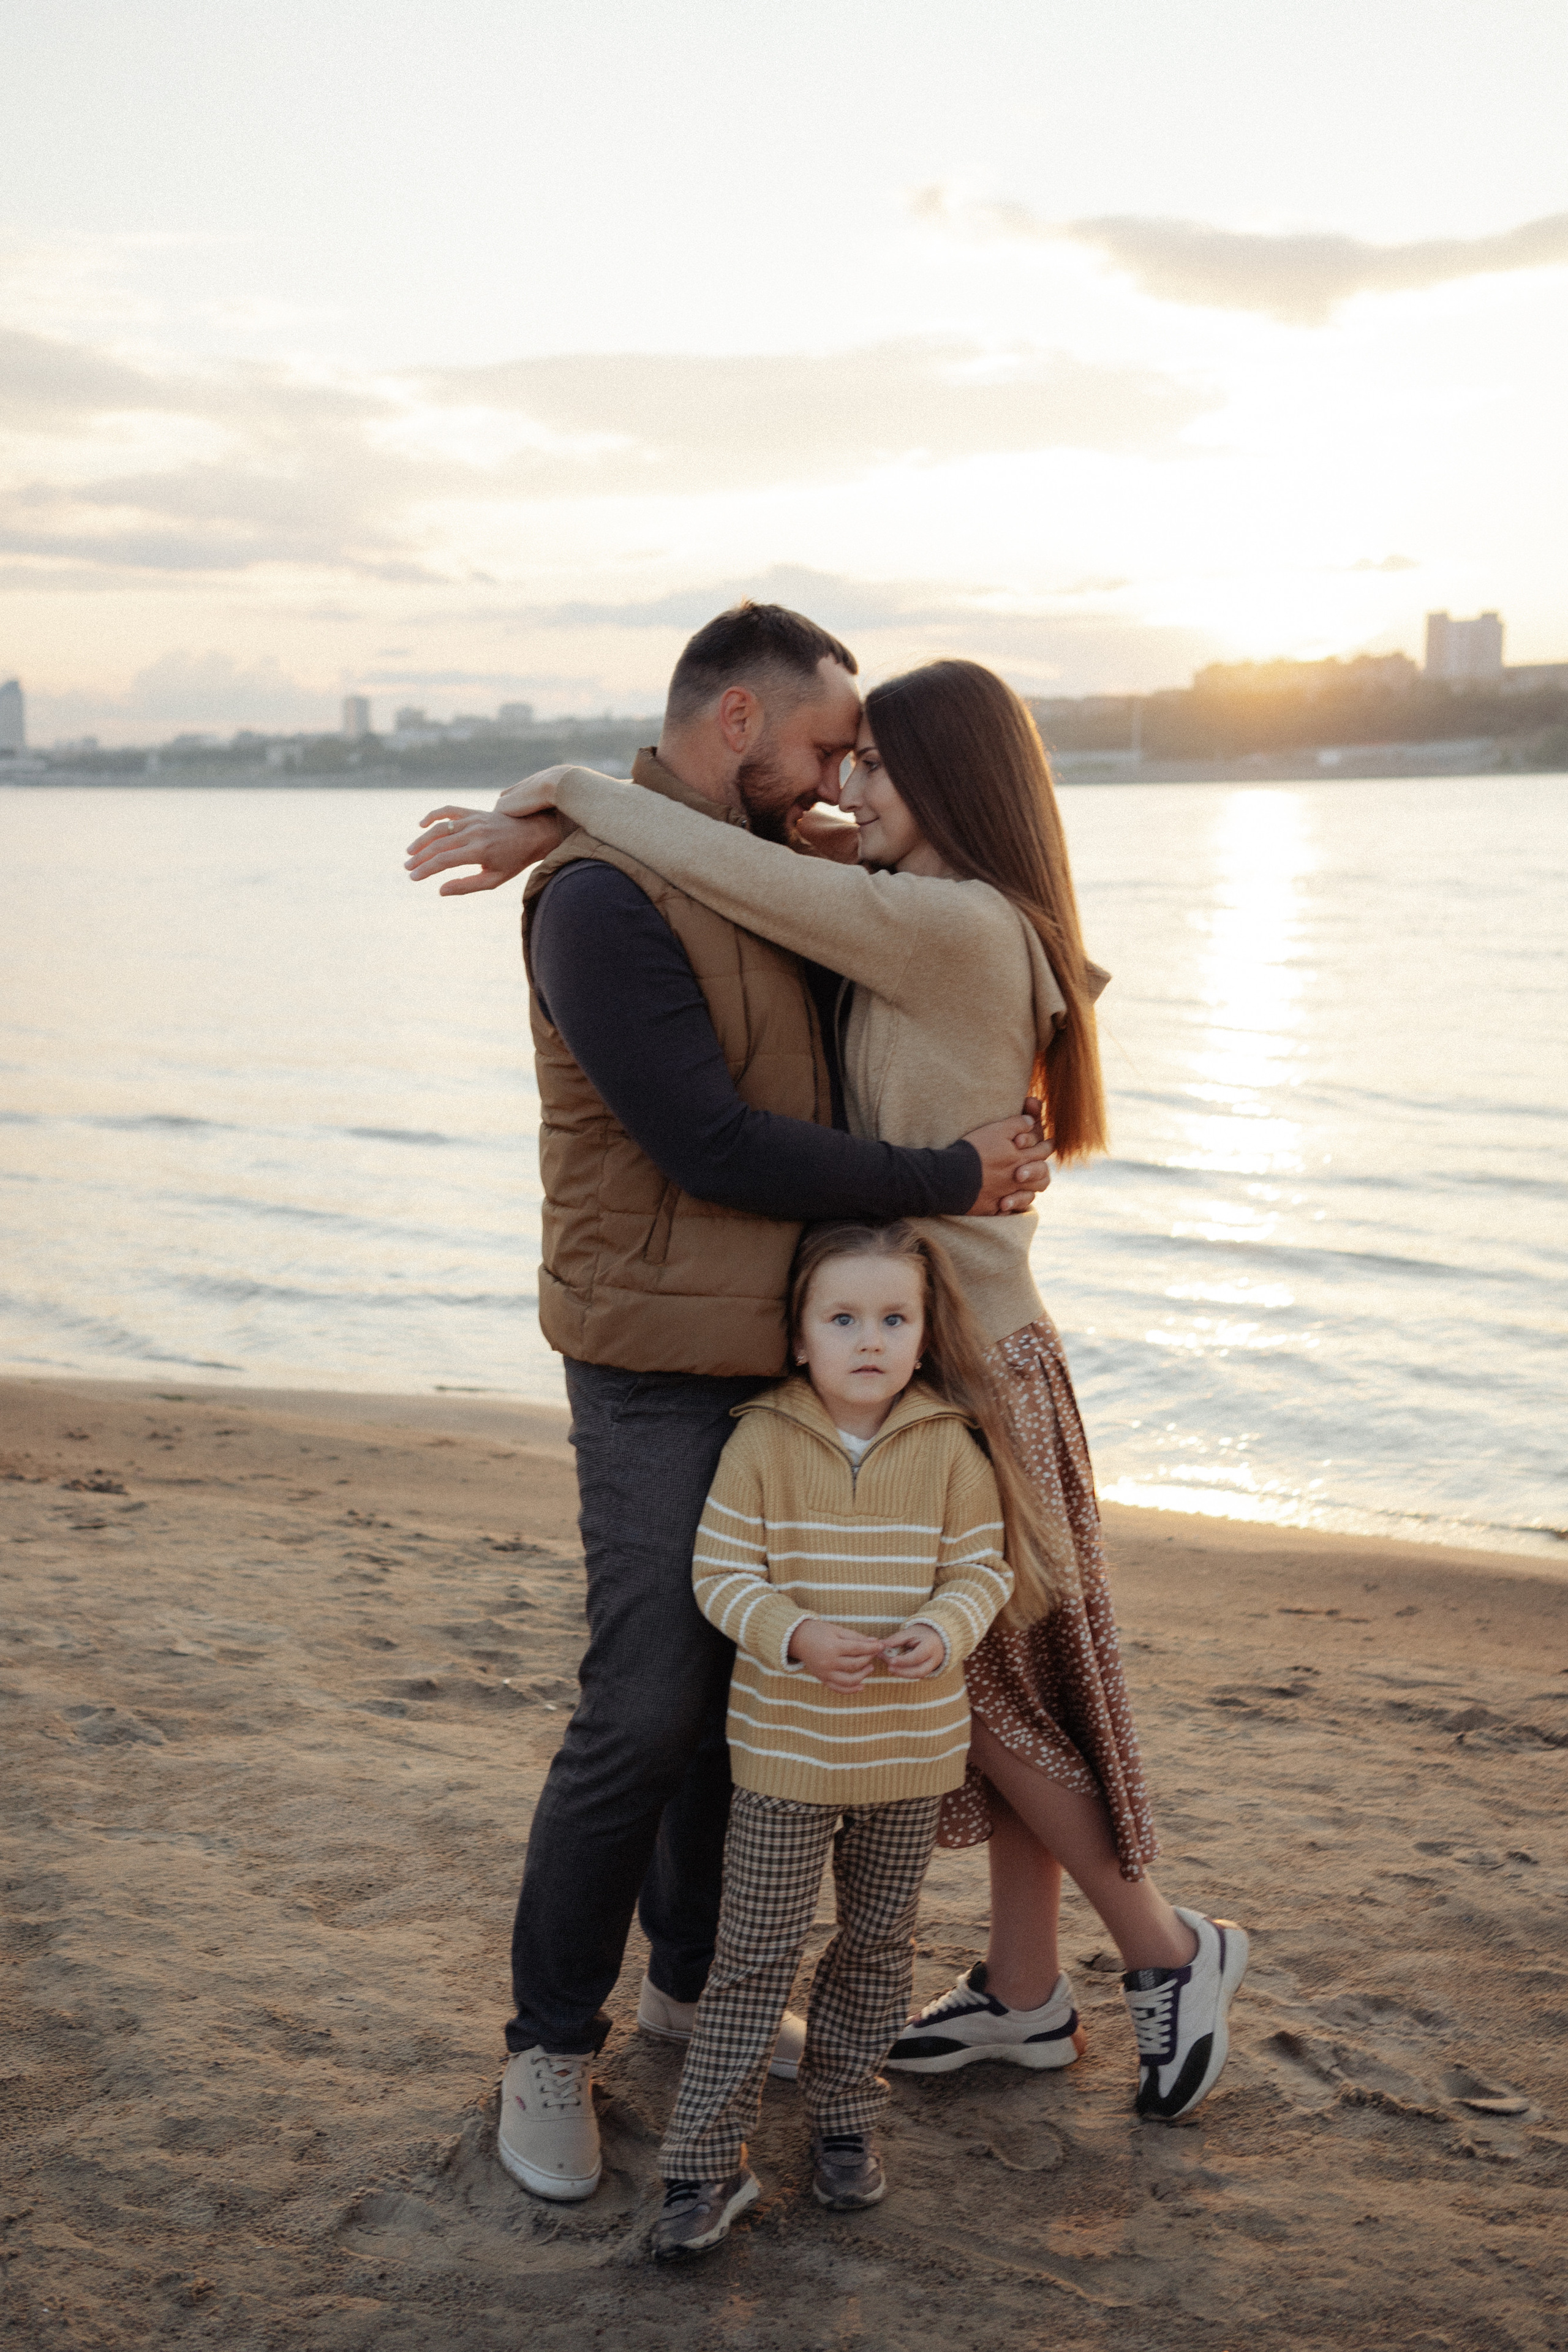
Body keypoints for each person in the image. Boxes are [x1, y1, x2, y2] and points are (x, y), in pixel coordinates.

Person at [489, 656, 1250, 2125]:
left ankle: (1167, 1949)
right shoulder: (954, 913)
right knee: (1006, 1685)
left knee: (972, 1693)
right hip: (957, 1353)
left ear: (950, 787)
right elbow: (781, 867)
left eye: (878, 768)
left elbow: (764, 877)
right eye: (842, 760)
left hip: (966, 1360)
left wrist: (575, 798)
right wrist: (601, 844)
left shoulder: (949, 928)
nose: (845, 789)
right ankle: (1025, 1995)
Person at [404, 606, 1054, 2203]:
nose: (844, 780)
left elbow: (929, 942)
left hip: (779, 1356)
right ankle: (550, 2047)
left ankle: (695, 1991)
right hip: (647, 1362)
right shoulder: (605, 900)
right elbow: (709, 1141)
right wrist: (948, 1176)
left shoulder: (750, 871)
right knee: (640, 1707)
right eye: (832, 745)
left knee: (737, 1708)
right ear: (745, 724)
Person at [649, 1218, 1028, 2262]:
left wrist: (943, 1632)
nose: (871, 1339)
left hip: (909, 1756)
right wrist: (797, 1633)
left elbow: (982, 1573)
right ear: (801, 1336)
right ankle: (701, 2163)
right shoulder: (761, 1439)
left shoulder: (950, 1443)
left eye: (894, 1319)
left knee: (874, 1950)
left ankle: (843, 2123)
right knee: (753, 1959)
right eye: (845, 1317)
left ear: (922, 1334)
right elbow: (721, 1576)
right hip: (784, 1754)